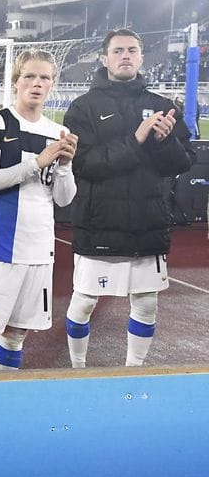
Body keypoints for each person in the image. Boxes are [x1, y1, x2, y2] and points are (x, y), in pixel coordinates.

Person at [63, 29, 196, 368]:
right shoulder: (83, 108)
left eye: (132, 50)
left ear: (141, 57)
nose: (125, 55)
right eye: (118, 50)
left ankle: (132, 372)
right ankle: (77, 370)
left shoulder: (162, 106)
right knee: (83, 303)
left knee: (147, 304)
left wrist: (165, 142)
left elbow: (182, 163)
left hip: (148, 223)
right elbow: (85, 165)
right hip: (99, 224)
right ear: (104, 58)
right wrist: (136, 140)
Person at [0, 50, 77, 371]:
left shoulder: (57, 133)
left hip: (40, 250)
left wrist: (65, 166)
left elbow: (65, 199)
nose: (37, 84)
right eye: (29, 76)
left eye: (44, 78)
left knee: (15, 337)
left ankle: (1, 407)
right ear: (16, 82)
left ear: (52, 85)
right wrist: (37, 162)